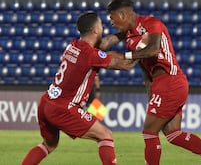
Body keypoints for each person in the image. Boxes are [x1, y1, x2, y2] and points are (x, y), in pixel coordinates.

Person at [99, 0, 201, 165]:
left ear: (124, 14)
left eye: (112, 17)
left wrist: (123, 56)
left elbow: (153, 50)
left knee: (149, 132)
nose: (111, 22)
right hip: (164, 85)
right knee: (173, 134)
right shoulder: (129, 38)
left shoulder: (151, 23)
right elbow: (140, 68)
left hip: (170, 81)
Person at [21, 12, 138, 165]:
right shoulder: (90, 54)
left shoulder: (73, 45)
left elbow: (102, 46)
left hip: (46, 102)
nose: (103, 28)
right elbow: (125, 65)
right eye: (101, 25)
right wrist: (144, 50)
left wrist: (124, 34)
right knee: (105, 135)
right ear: (96, 30)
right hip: (64, 108)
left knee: (48, 145)